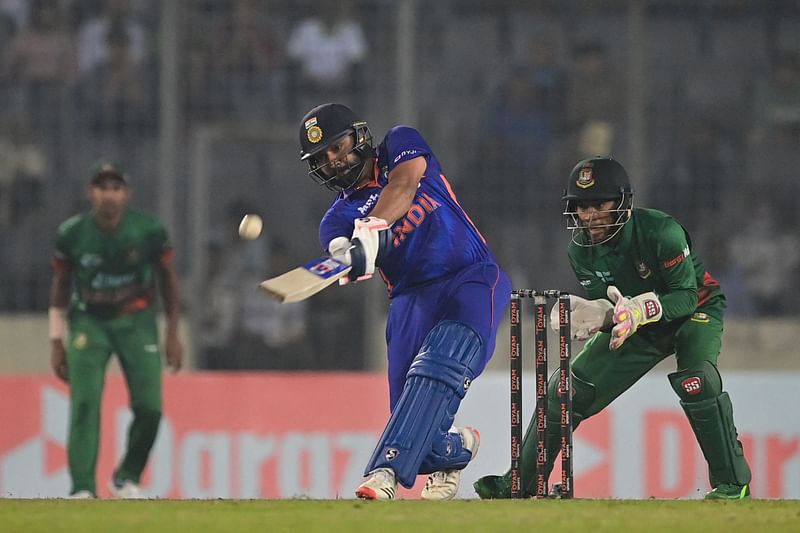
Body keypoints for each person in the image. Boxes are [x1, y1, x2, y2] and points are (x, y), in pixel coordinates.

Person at [473, 156, 752, 501]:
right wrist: (604, 315)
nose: (589, 215)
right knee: (564, 391)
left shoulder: (662, 231)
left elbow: (685, 296)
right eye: (581, 206)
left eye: (600, 204)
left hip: (695, 310)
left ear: (623, 202)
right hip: (636, 323)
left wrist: (640, 309)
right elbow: (612, 303)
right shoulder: (581, 251)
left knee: (697, 381)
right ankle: (519, 483)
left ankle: (732, 484)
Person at [296, 103, 511, 500]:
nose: (333, 159)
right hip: (411, 300)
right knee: (413, 416)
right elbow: (342, 248)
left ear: (358, 136)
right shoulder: (335, 218)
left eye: (337, 145)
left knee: (441, 363)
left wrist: (371, 229)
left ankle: (384, 472)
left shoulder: (400, 143)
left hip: (471, 276)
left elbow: (404, 187)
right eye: (322, 158)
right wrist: (352, 257)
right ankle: (454, 450)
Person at [49, 162, 183, 499]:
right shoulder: (72, 233)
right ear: (90, 192)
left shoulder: (149, 230)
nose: (108, 195)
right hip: (88, 322)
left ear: (126, 193)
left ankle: (127, 475)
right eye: (101, 187)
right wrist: (55, 340)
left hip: (136, 321)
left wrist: (172, 333)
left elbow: (168, 280)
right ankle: (81, 488)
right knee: (84, 403)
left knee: (150, 407)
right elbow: (62, 285)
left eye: (115, 188)